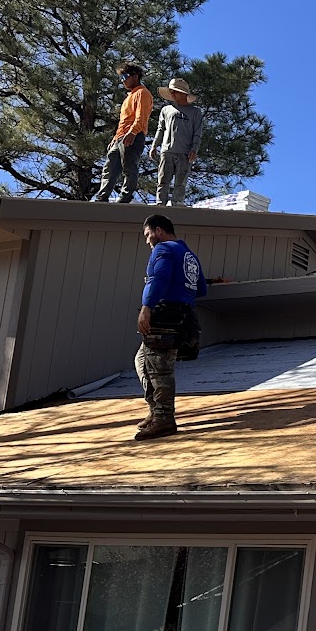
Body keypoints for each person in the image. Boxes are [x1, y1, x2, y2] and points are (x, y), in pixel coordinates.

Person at [134, 213, 207, 441]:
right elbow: (201, 289)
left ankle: (164, 419)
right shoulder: (190, 256)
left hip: (166, 315)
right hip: (185, 316)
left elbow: (159, 278)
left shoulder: (163, 249)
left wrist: (147, 307)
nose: (148, 241)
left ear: (159, 230)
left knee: (159, 368)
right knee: (142, 361)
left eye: (148, 235)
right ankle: (156, 411)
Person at [93, 62, 153, 203]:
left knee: (129, 166)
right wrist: (115, 138)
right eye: (121, 78)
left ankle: (125, 197)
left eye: (125, 76)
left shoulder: (142, 93)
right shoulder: (129, 96)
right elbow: (123, 121)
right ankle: (102, 197)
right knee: (110, 167)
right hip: (120, 136)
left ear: (135, 76)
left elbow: (141, 117)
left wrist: (133, 132)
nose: (123, 80)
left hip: (134, 135)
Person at [149, 77, 204, 206]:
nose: (172, 94)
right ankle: (160, 202)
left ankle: (177, 202)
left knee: (181, 181)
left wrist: (194, 149)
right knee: (163, 179)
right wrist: (154, 145)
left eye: (175, 91)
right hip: (167, 150)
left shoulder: (195, 112)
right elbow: (161, 129)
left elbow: (197, 133)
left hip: (185, 152)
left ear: (184, 93)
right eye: (171, 92)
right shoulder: (166, 110)